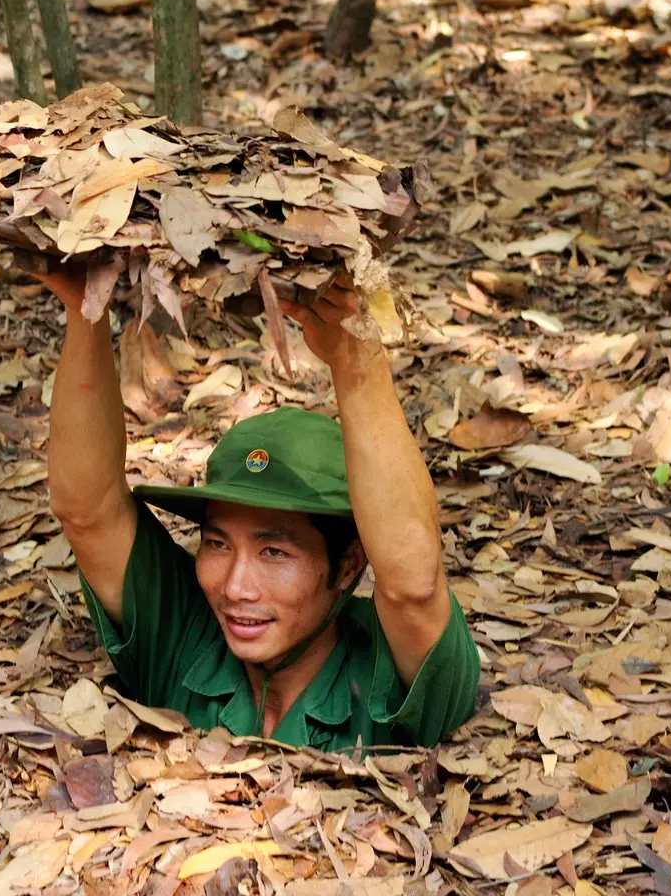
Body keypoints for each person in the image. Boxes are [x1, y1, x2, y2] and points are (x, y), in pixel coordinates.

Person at [37, 263, 480, 751]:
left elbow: (414, 586)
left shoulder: (390, 669)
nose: (234, 587)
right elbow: (86, 511)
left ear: (348, 564)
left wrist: (358, 364)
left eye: (274, 552)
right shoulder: (184, 634)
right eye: (217, 543)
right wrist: (85, 309)